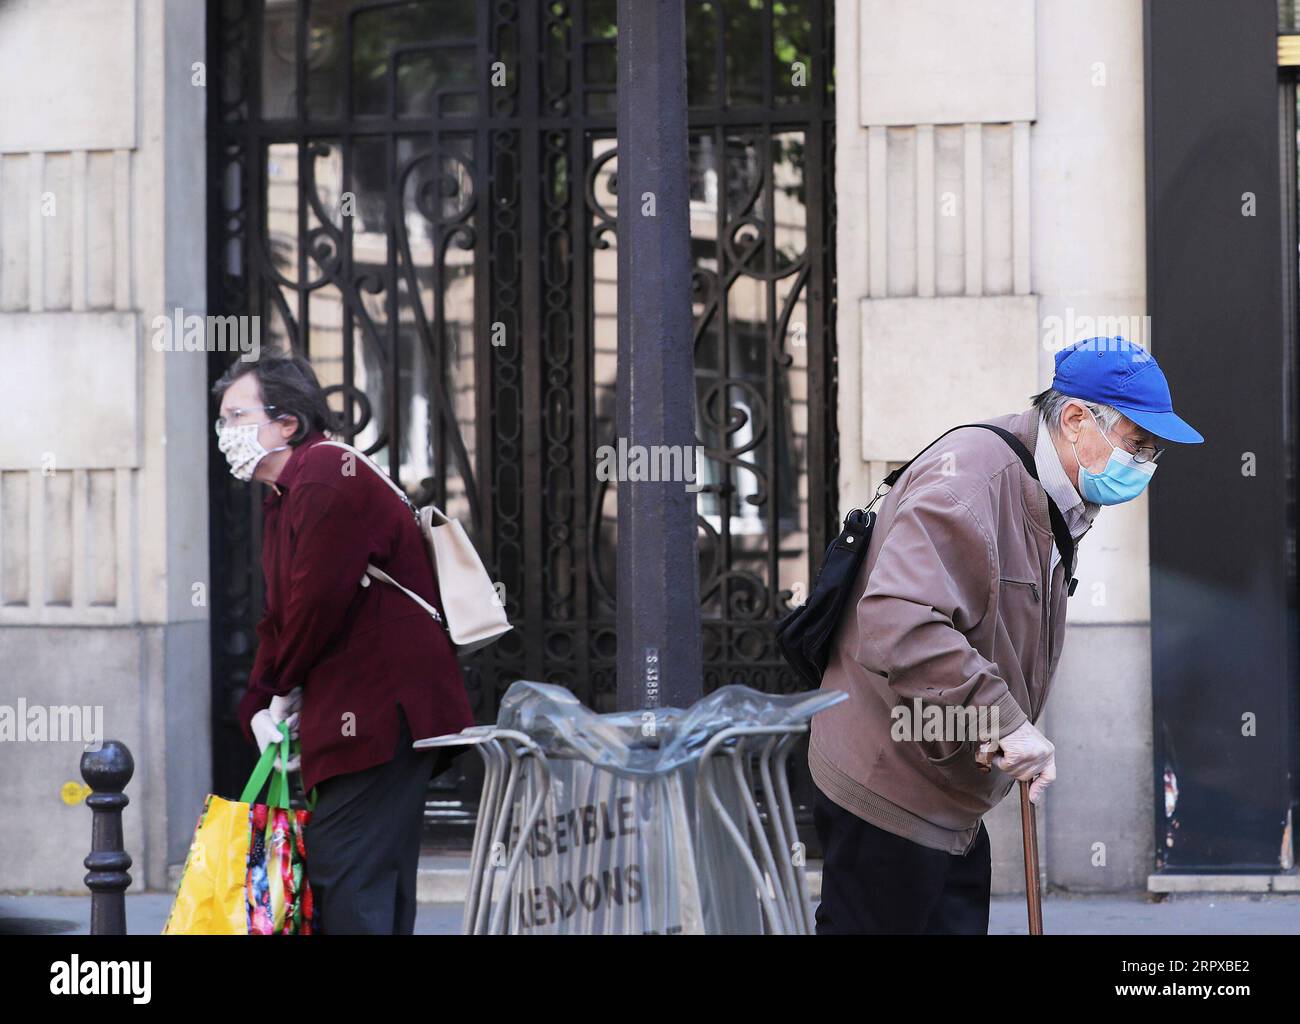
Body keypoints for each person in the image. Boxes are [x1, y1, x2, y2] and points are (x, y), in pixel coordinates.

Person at [808, 337, 1204, 934]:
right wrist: (1006, 722)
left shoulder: (1051, 486)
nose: (1145, 464)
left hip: (946, 789)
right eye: (1138, 444)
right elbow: (897, 621)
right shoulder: (968, 484)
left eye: (1154, 452)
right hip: (886, 787)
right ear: (1075, 419)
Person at [212, 353, 475, 934]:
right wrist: (259, 702)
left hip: (382, 714)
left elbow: (315, 606)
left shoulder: (325, 478)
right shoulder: (288, 493)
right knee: (366, 883)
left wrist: (275, 693)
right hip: (362, 715)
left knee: (347, 879)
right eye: (222, 418)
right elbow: (280, 617)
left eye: (236, 416)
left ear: (286, 423)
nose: (224, 432)